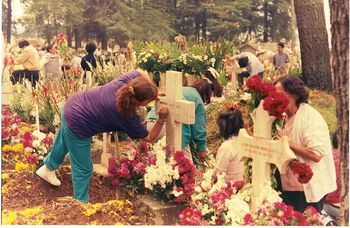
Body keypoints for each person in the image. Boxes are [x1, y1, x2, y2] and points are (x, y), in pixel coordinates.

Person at [36, 70, 169, 203]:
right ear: (141, 101)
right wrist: (161, 118)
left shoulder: (124, 85)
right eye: (148, 101)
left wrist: (152, 91)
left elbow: (138, 72)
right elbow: (149, 137)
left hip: (72, 104)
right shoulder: (127, 116)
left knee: (64, 141)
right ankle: (80, 201)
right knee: (83, 167)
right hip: (79, 123)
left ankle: (48, 168)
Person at [274, 75, 336, 213]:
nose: (275, 98)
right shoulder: (282, 117)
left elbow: (316, 154)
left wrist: (287, 143)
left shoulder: (310, 117)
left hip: (307, 192)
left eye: (279, 94)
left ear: (294, 94)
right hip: (288, 187)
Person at [146, 78, 219, 163]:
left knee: (157, 162)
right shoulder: (197, 99)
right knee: (187, 167)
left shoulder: (180, 90)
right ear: (208, 92)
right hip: (169, 129)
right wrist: (202, 150)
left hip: (152, 124)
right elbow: (199, 128)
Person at [213, 105, 245, 182]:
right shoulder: (242, 141)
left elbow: (218, 173)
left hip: (228, 187)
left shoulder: (227, 146)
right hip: (239, 184)